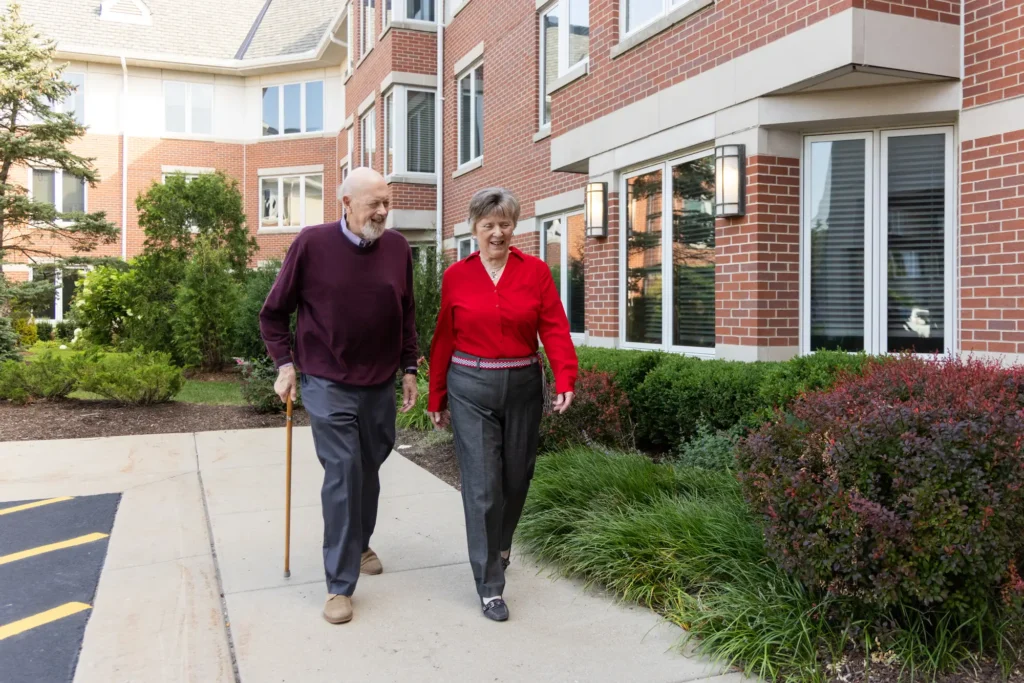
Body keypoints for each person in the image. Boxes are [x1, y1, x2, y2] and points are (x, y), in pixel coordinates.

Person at [259, 167, 419, 625]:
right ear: (345, 203)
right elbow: (273, 315)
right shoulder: (312, 244)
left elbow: (406, 314)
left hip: (378, 383)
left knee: (369, 467)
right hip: (327, 381)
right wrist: (286, 365)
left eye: (387, 202)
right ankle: (339, 584)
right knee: (344, 471)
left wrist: (409, 368)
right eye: (374, 203)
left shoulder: (398, 248)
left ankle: (360, 540)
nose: (383, 211)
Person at [427, 187, 577, 622]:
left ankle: (502, 541)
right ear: (474, 228)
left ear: (515, 227)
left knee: (517, 476)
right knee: (482, 485)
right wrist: (437, 394)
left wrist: (565, 375)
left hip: (522, 383)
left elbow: (554, 326)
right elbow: (444, 338)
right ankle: (490, 583)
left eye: (505, 224)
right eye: (488, 225)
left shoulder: (535, 272)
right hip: (470, 384)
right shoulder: (457, 275)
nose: (497, 233)